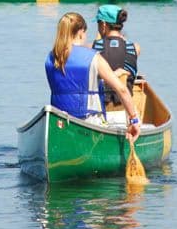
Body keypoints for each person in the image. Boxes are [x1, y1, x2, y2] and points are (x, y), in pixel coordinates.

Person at [45, 12, 141, 142]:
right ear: (80, 32)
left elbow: (74, 82)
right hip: (89, 123)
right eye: (85, 34)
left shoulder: (51, 58)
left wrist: (110, 76)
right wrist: (134, 119)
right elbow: (122, 90)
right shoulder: (93, 57)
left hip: (59, 122)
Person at [92, 4, 140, 101]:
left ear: (104, 24)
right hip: (124, 105)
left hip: (102, 103)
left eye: (98, 23)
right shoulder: (135, 47)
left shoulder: (95, 47)